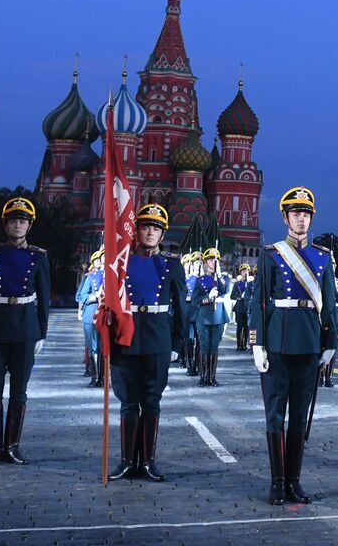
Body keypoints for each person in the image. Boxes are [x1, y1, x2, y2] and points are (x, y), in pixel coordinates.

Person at [250, 187, 337, 505]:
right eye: (296, 213)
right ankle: (276, 482)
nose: (301, 219)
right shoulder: (270, 254)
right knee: (275, 414)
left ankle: (294, 482)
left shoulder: (323, 257)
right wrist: (257, 342)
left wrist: (330, 342)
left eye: (306, 214)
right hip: (277, 342)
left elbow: (329, 304)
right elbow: (259, 299)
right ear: (285, 217)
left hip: (309, 343)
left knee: (300, 416)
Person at [107, 203, 186, 482]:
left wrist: (177, 343)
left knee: (152, 401)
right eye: (145, 227)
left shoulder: (172, 265)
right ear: (136, 230)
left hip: (157, 338)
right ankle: (128, 461)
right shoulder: (121, 261)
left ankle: (148, 462)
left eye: (156, 228)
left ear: (162, 234)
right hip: (126, 338)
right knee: (128, 402)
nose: (150, 232)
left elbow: (182, 309)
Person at [0, 196, 51, 466]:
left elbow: (44, 298)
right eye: (13, 221)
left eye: (23, 221)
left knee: (19, 391)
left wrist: (41, 332)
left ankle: (13, 446)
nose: (17, 225)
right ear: (5, 225)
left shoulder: (38, 257)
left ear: (29, 226)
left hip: (24, 328)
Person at [190, 249, 232, 387]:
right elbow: (195, 300)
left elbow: (225, 291)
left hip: (218, 316)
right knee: (204, 346)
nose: (213, 262)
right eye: (210, 260)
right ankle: (203, 377)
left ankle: (212, 377)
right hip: (203, 317)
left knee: (214, 347)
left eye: (216, 260)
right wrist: (208, 298)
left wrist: (219, 276)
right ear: (205, 262)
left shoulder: (222, 278)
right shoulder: (199, 280)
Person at [75, 248, 104, 388]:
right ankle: (95, 377)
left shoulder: (115, 276)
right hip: (91, 313)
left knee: (104, 348)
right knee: (92, 347)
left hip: (107, 316)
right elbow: (80, 296)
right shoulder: (90, 277)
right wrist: (95, 296)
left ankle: (104, 377)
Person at [233, 264, 252, 354]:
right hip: (240, 307)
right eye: (243, 271)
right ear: (240, 272)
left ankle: (245, 345)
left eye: (247, 271)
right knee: (239, 327)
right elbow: (232, 296)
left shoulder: (251, 283)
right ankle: (238, 345)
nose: (245, 272)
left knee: (247, 327)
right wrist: (240, 297)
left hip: (248, 307)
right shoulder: (237, 284)